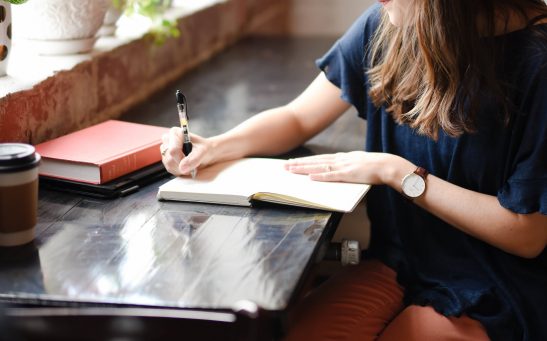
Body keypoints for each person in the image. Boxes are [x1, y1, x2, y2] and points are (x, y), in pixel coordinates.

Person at [160, 0, 547, 339]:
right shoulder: (389, 23)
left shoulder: (538, 62)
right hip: (399, 262)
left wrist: (397, 172)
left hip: (499, 284)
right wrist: (215, 146)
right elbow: (298, 117)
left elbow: (527, 234)